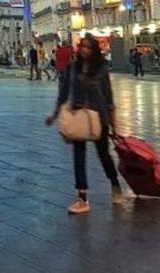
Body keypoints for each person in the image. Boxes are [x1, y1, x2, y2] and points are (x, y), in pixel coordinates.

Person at [46, 35, 124, 214]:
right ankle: (82, 198)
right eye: (83, 47)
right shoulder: (73, 68)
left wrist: (114, 126)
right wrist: (55, 114)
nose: (84, 50)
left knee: (103, 154)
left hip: (99, 116)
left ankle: (115, 184)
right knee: (78, 155)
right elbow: (64, 93)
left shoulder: (101, 70)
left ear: (94, 50)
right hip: (78, 115)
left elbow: (109, 98)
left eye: (88, 48)